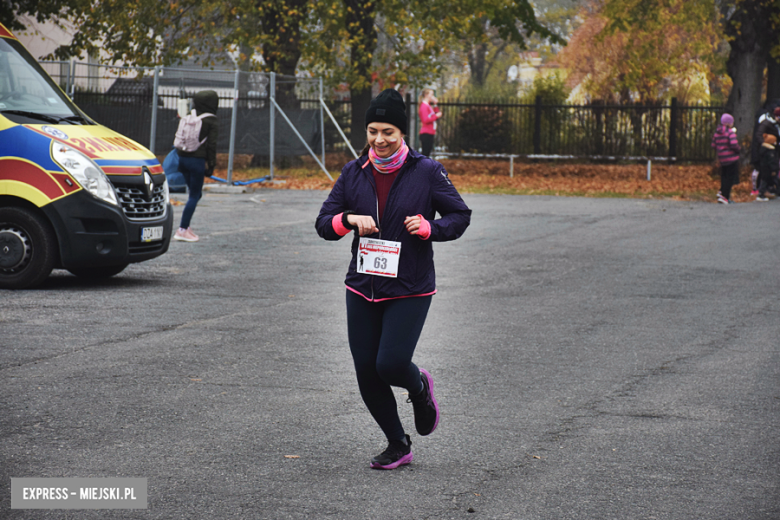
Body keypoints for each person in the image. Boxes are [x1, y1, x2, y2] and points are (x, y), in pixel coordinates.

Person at [315, 89, 471, 470]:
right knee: (366, 371)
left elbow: (460, 216)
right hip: (362, 286)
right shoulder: (354, 173)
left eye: (388, 131)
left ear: (403, 133)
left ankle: (419, 387)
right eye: (372, 131)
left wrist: (430, 228)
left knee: (390, 364)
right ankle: (397, 444)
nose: (379, 140)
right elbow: (323, 223)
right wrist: (348, 220)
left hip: (410, 287)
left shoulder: (427, 172)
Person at [174, 90, 219, 242]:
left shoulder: (188, 118)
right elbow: (211, 145)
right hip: (197, 161)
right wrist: (211, 165)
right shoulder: (211, 121)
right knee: (194, 195)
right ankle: (182, 229)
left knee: (194, 194)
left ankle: (186, 227)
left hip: (182, 159)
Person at [750, 104, 780, 195]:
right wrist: (765, 143)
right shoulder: (768, 122)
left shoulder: (775, 124)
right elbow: (759, 135)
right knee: (767, 171)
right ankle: (761, 190)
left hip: (773, 149)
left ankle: (770, 189)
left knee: (772, 170)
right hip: (767, 149)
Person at [711, 113, 741, 204]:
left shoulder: (717, 133)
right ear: (728, 123)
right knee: (730, 178)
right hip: (731, 158)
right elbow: (733, 144)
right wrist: (738, 149)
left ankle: (722, 193)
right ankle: (726, 196)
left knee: (724, 176)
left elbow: (713, 145)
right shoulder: (730, 132)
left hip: (722, 158)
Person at [418, 89, 442, 157]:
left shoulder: (428, 106)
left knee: (427, 153)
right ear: (426, 95)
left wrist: (435, 104)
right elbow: (425, 119)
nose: (432, 96)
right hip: (426, 133)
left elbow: (435, 113)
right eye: (431, 94)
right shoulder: (424, 106)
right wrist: (436, 116)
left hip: (430, 132)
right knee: (425, 153)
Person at [756, 133, 779, 201]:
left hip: (764, 169)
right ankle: (761, 193)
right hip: (769, 170)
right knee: (770, 181)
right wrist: (774, 170)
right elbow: (772, 162)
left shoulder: (763, 150)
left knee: (767, 181)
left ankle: (769, 192)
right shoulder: (770, 152)